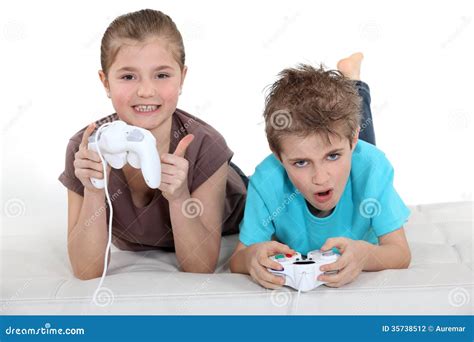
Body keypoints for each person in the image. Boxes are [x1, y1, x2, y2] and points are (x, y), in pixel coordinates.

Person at [59, 9, 247, 280]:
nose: (146, 91)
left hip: (237, 195)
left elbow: (200, 266)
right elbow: (87, 270)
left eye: (161, 75)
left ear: (182, 77)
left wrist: (180, 196)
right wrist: (93, 191)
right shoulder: (85, 149)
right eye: (127, 76)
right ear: (105, 82)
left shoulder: (207, 144)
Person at [229, 53, 411, 289]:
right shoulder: (266, 180)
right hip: (349, 149)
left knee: (362, 135)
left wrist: (365, 255)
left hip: (358, 155)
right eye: (301, 163)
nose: (320, 178)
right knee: (343, 135)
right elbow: (238, 259)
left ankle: (353, 79)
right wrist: (251, 257)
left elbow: (400, 253)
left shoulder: (371, 168)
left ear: (352, 142)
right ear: (278, 156)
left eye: (333, 156)